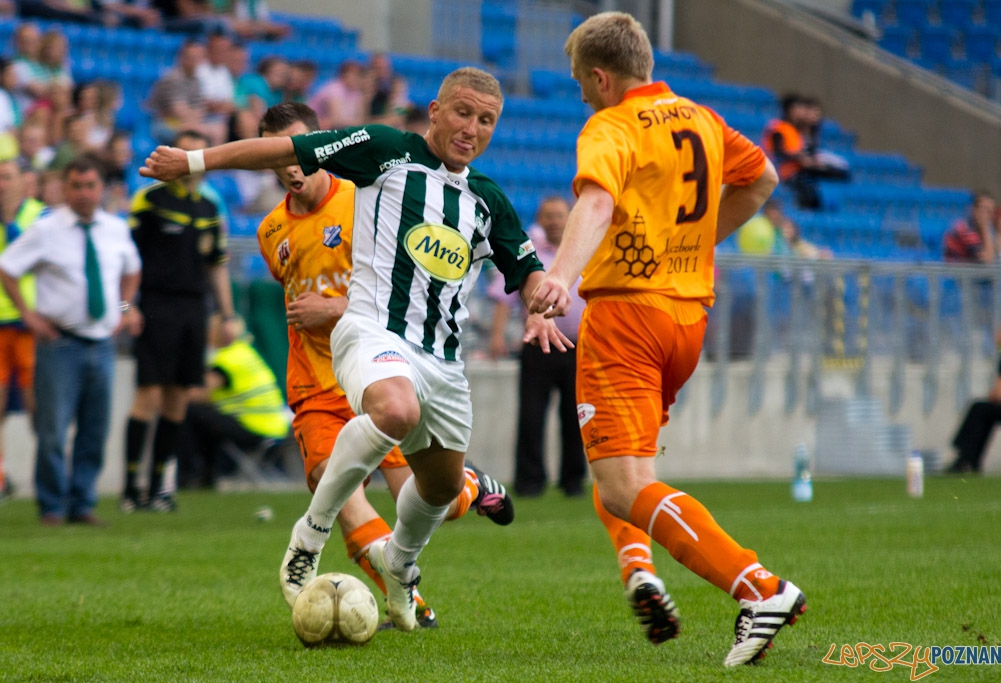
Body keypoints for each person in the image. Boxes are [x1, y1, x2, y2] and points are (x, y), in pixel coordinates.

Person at [141, 67, 572, 631]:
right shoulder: (384, 152)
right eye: (463, 113)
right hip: (370, 335)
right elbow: (285, 149)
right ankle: (310, 534)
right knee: (395, 410)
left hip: (441, 363)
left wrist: (541, 299)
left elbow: (527, 269)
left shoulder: (488, 200)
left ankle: (402, 564)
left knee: (440, 492)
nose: (472, 128)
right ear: (436, 111)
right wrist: (193, 162)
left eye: (486, 120)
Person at [527, 13, 805, 667]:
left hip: (626, 315)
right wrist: (697, 244)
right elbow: (762, 178)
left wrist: (560, 276)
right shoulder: (701, 119)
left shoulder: (612, 124)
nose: (581, 94)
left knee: (621, 482)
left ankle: (760, 588)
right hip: (686, 319)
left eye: (581, 81)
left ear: (601, 77)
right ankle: (639, 568)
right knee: (626, 470)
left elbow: (596, 203)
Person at [253, 102, 517, 627]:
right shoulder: (270, 230)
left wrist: (331, 309)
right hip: (316, 386)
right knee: (340, 492)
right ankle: (402, 597)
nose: (289, 167)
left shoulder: (367, 195)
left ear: (317, 145)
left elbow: (401, 289)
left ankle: (469, 485)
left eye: (296, 151)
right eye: (277, 157)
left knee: (435, 498)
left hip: (387, 373)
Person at [0, 153, 142, 526]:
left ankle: (82, 502)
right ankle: (51, 505)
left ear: (102, 189)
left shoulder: (115, 228)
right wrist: (27, 314)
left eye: (90, 185)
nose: (83, 193)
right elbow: (8, 267)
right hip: (59, 342)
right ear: (64, 189)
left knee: (94, 429)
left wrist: (124, 308)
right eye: (76, 186)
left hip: (102, 342)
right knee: (52, 429)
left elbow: (131, 270)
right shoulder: (46, 229)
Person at [121, 130, 237, 513]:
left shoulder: (209, 207)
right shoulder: (150, 199)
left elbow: (216, 265)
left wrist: (227, 314)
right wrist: (127, 305)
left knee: (178, 398)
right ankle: (130, 488)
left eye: (195, 152)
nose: (189, 159)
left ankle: (159, 487)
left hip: (193, 310)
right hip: (156, 305)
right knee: (149, 394)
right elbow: (127, 258)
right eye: (183, 151)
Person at [488, 195, 586, 498]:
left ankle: (573, 481)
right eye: (549, 216)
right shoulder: (528, 253)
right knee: (531, 416)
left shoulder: (584, 251)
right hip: (537, 345)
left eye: (559, 215)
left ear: (569, 219)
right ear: (540, 220)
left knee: (576, 417)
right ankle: (529, 482)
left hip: (579, 347)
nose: (554, 221)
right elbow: (503, 298)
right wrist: (497, 335)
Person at [179, 316, 290, 489]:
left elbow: (198, 395)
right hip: (275, 426)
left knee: (191, 413)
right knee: (207, 419)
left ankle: (190, 475)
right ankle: (205, 476)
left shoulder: (226, 360)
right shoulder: (244, 351)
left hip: (254, 427)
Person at [0, 159, 47, 500]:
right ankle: (1, 477)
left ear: (23, 182)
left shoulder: (39, 216)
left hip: (31, 322)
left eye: (7, 177)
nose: (2, 184)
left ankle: (49, 478)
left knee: (39, 406)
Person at [947, 317, 1001, 473]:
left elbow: (998, 395)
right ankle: (970, 460)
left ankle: (966, 458)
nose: (996, 335)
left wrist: (993, 395)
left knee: (980, 409)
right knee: (988, 412)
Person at [943, 191, 995, 264]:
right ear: (974, 210)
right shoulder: (965, 228)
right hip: (956, 269)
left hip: (970, 268)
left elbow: (999, 254)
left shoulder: (981, 228)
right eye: (985, 209)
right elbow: (987, 260)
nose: (989, 214)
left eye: (991, 210)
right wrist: (985, 229)